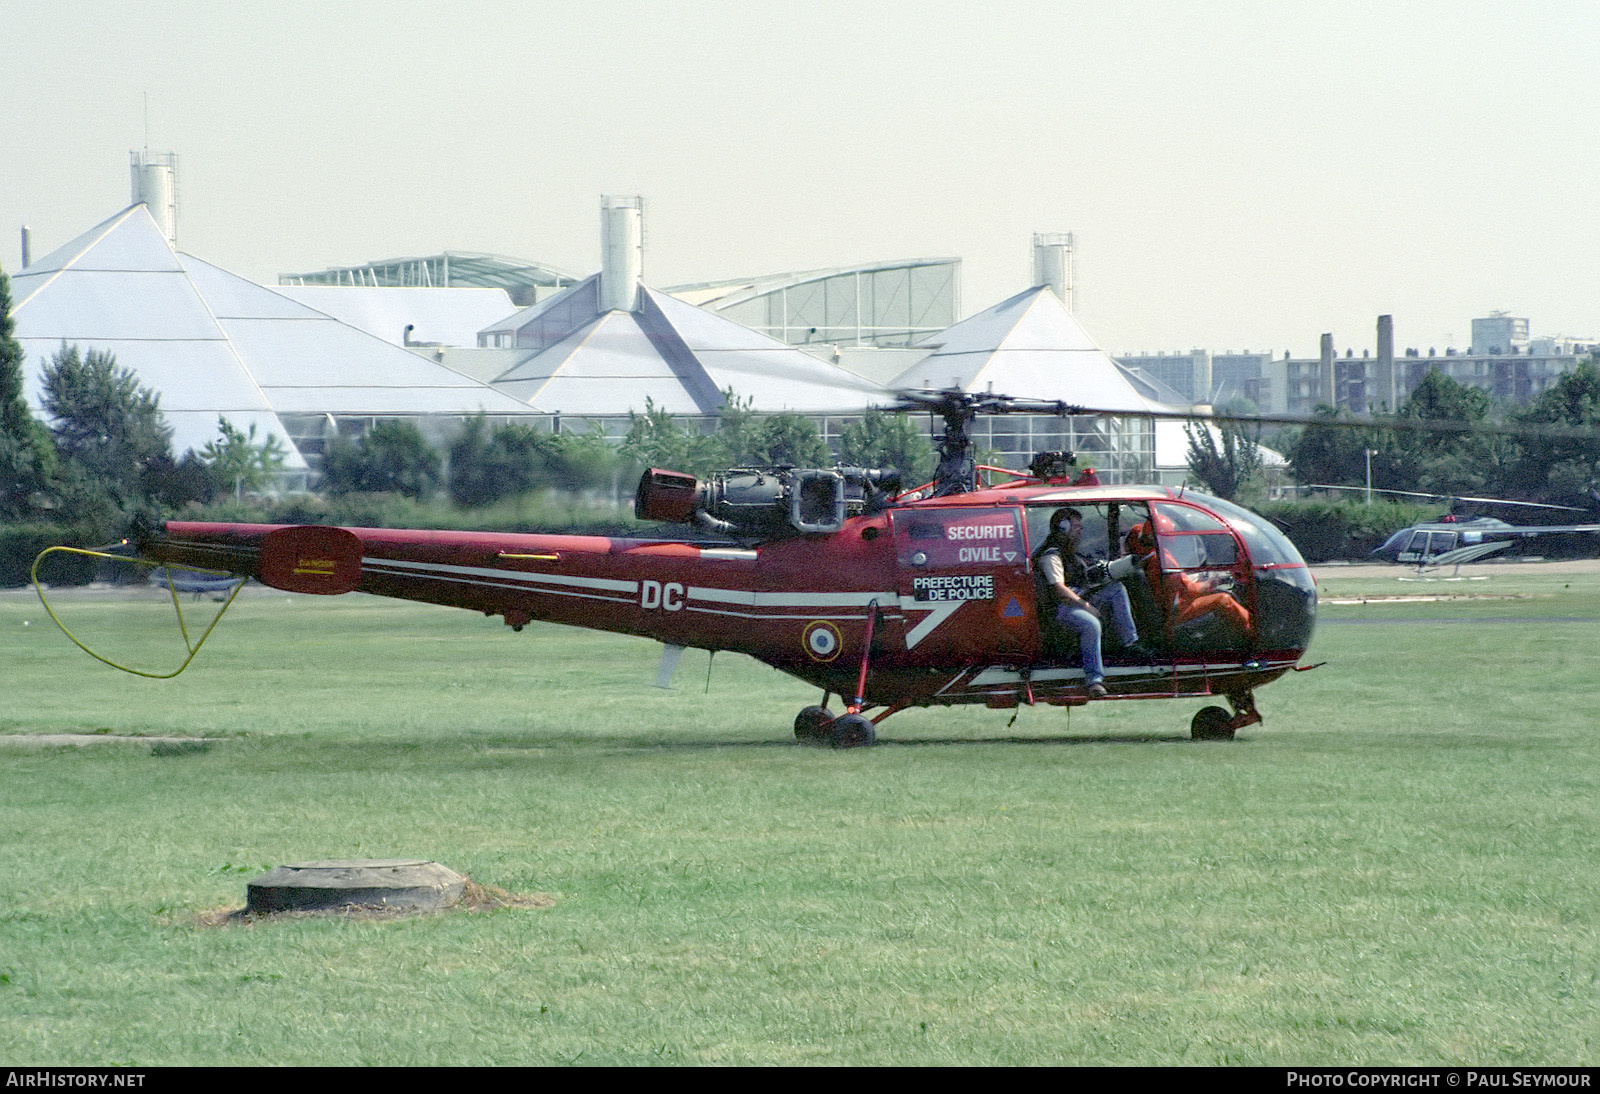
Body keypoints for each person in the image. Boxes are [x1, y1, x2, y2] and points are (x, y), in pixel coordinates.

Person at [1033, 507, 1146, 698]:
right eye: (1075, 526)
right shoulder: (1051, 555)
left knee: (1116, 589)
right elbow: (1060, 590)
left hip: (1076, 598)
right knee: (1090, 624)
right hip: (1061, 607)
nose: (1080, 530)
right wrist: (1087, 606)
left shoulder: (1070, 553)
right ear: (1062, 528)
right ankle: (1094, 680)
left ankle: (1130, 643)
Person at [1124, 520, 1252, 640]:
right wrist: (1211, 583)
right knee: (1224, 599)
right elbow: (1188, 590)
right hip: (1176, 612)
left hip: (1166, 610)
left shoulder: (1146, 559)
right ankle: (1253, 632)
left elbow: (1174, 584)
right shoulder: (1160, 560)